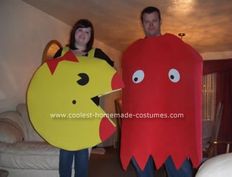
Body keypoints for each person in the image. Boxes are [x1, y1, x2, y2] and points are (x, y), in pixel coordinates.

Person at [120, 6, 200, 177]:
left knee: (180, 169)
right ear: (142, 24)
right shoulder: (134, 52)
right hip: (142, 125)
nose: (151, 25)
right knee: (142, 165)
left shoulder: (174, 46)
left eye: (154, 21)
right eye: (147, 22)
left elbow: (193, 62)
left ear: (160, 21)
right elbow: (129, 92)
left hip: (170, 123)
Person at [54, 19, 114, 177]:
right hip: (65, 110)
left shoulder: (97, 55)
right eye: (80, 30)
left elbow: (110, 72)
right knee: (66, 150)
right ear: (74, 32)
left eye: (87, 32)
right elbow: (50, 77)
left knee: (82, 151)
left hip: (86, 110)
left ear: (90, 37)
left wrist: (98, 87)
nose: (83, 34)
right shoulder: (61, 52)